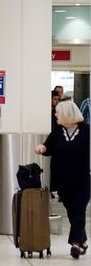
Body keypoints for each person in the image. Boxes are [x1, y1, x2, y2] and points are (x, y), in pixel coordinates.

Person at [35, 101, 89, 259]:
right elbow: (48, 147)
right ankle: (83, 240)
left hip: (83, 179)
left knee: (79, 209)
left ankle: (75, 244)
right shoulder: (58, 131)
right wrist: (41, 148)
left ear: (66, 113)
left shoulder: (86, 130)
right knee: (72, 211)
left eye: (58, 112)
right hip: (63, 181)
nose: (56, 114)